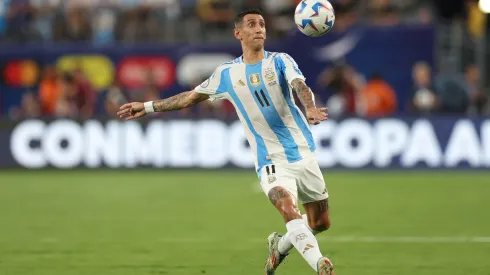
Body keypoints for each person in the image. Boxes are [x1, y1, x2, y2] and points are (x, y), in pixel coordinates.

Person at [117, 9, 334, 275]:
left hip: (303, 153)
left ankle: (279, 246)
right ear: (238, 33)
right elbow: (189, 98)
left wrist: (309, 107)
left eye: (262, 24)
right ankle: (320, 265)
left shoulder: (280, 61)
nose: (259, 29)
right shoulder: (226, 74)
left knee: (320, 223)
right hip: (270, 160)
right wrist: (148, 107)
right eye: (252, 24)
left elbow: (299, 85)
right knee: (289, 209)